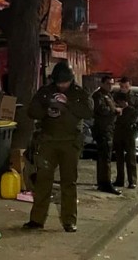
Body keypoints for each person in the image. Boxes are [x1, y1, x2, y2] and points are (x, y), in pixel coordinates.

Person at [24, 62, 94, 233]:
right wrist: (46, 108)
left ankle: (69, 220)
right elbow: (31, 111)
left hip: (70, 143)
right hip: (48, 141)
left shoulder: (79, 94)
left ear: (71, 80)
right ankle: (37, 219)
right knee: (42, 181)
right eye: (59, 82)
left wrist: (67, 104)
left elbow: (89, 112)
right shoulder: (46, 91)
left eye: (65, 82)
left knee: (68, 183)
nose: (62, 85)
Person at [91, 76, 122, 195]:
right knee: (105, 158)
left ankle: (103, 182)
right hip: (102, 130)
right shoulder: (98, 95)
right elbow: (101, 110)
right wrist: (115, 111)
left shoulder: (109, 95)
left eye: (112, 84)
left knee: (105, 157)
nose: (110, 86)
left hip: (109, 129)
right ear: (102, 83)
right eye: (108, 84)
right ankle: (105, 183)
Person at [113, 77, 138, 189]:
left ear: (130, 86)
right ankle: (120, 180)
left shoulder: (135, 97)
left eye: (126, 86)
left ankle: (132, 180)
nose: (123, 89)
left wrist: (127, 107)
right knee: (119, 157)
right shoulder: (115, 96)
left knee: (130, 157)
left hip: (129, 129)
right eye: (122, 86)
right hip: (119, 128)